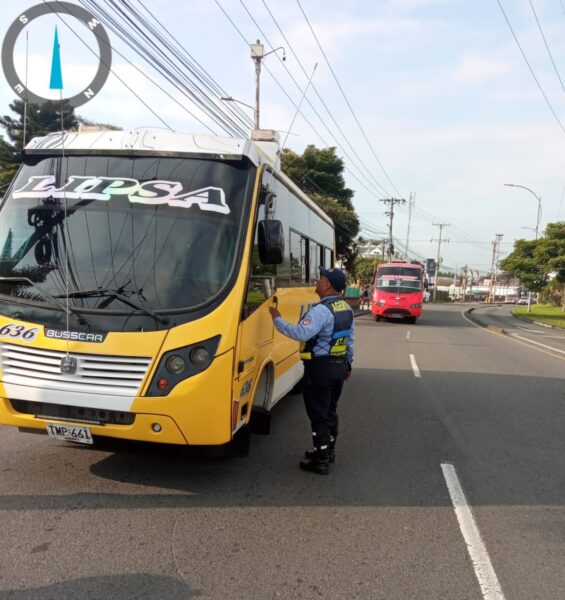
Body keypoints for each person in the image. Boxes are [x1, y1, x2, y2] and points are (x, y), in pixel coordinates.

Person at [268, 267, 355, 475]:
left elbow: (301, 333)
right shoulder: (346, 308)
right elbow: (350, 340)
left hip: (320, 369)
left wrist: (276, 318)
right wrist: (349, 364)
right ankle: (328, 451)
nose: (317, 281)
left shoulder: (321, 311)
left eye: (320, 279)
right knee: (330, 410)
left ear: (327, 284)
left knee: (318, 415)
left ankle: (321, 460)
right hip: (339, 367)